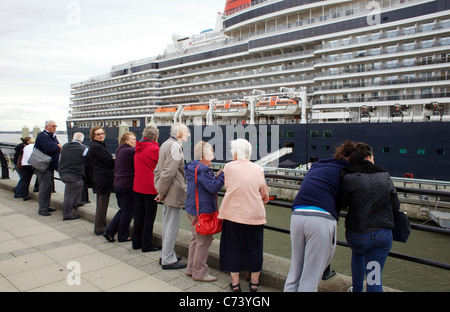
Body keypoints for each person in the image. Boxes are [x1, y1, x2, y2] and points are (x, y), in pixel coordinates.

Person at [284, 140, 356, 292]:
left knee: (295, 270)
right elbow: (347, 199)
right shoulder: (348, 170)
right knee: (311, 275)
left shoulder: (319, 165)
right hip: (321, 217)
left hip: (297, 213)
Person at [340, 142, 400, 292]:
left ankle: (357, 289)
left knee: (358, 254)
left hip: (358, 235)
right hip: (382, 234)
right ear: (368, 158)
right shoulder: (385, 175)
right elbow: (395, 206)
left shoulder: (349, 177)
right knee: (374, 277)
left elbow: (342, 202)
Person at [218, 139, 269, 292]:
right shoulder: (258, 169)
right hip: (255, 215)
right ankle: (254, 283)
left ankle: (235, 284)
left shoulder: (228, 167)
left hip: (233, 214)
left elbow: (229, 185)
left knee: (233, 247)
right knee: (255, 248)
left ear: (234, 152)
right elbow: (264, 194)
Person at [184, 141, 224, 282]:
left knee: (195, 239)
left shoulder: (192, 166)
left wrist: (215, 176)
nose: (212, 155)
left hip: (191, 208)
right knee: (203, 242)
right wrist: (222, 176)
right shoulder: (204, 170)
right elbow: (213, 188)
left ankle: (191, 268)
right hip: (202, 210)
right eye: (210, 152)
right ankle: (200, 272)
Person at [154, 123, 190, 270]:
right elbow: (169, 172)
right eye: (186, 132)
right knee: (172, 226)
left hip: (167, 189)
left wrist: (159, 189)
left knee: (167, 223)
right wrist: (161, 193)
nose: (188, 134)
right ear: (180, 133)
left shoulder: (165, 144)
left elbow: (158, 169)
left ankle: (166, 254)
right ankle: (168, 259)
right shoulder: (175, 147)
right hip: (173, 191)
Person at [132, 124, 161, 252]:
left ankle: (136, 242)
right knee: (149, 217)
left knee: (139, 216)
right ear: (155, 137)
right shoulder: (155, 150)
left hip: (137, 186)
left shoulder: (138, 148)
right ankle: (146, 245)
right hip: (150, 188)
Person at [103, 132, 136, 243]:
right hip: (127, 184)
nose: (136, 142)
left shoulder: (119, 149)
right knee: (127, 211)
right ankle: (123, 235)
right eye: (133, 139)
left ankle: (110, 231)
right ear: (126, 141)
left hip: (118, 183)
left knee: (123, 209)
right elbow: (142, 150)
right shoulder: (129, 151)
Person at [86, 126, 115, 235]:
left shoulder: (99, 146)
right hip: (102, 179)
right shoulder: (96, 147)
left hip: (101, 178)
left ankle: (101, 226)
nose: (101, 135)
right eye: (98, 134)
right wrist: (116, 160)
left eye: (102, 133)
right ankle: (100, 228)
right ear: (93, 136)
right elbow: (108, 161)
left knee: (102, 203)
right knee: (102, 204)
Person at [58, 132, 89, 221]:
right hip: (74, 174)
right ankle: (67, 215)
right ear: (82, 140)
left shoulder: (65, 146)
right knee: (69, 196)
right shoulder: (84, 149)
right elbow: (88, 160)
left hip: (63, 173)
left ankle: (77, 202)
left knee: (80, 184)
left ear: (73, 138)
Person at [34, 120, 62, 216]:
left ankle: (46, 205)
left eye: (55, 126)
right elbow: (49, 148)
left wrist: (57, 146)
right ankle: (42, 208)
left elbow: (55, 146)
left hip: (49, 166)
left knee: (49, 186)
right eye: (53, 126)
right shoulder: (42, 136)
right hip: (43, 166)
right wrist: (58, 147)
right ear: (46, 127)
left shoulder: (52, 136)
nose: (55, 127)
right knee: (44, 187)